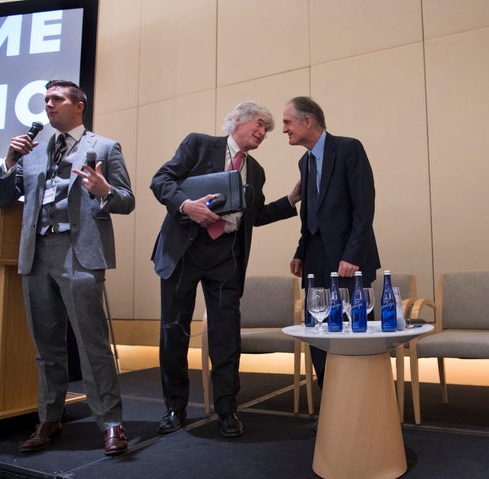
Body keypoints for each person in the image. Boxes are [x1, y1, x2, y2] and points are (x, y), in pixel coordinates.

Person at [0, 80, 135, 455]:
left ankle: (112, 423)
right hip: (36, 254)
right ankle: (49, 417)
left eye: (56, 99)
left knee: (91, 343)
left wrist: (105, 192)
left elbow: (127, 200)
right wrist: (9, 161)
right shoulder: (33, 152)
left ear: (79, 106)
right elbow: (2, 198)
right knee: (46, 345)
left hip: (79, 252)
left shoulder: (103, 147)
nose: (48, 105)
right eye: (46, 100)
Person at [150, 101, 301, 438]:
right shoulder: (199, 145)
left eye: (267, 130)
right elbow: (161, 180)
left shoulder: (256, 171)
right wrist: (186, 206)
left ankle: (226, 411)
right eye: (260, 125)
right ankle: (174, 408)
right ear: (237, 121)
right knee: (174, 330)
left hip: (226, 255)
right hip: (184, 249)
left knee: (226, 335)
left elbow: (255, 215)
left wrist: (290, 200)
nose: (263, 133)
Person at [282, 96, 381, 388]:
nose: (284, 129)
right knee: (320, 338)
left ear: (307, 121)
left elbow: (364, 209)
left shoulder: (349, 149)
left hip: (350, 263)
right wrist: (301, 251)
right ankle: (331, 408)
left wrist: (352, 255)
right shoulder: (305, 162)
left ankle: (364, 406)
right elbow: (310, 213)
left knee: (356, 338)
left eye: (287, 122)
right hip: (316, 263)